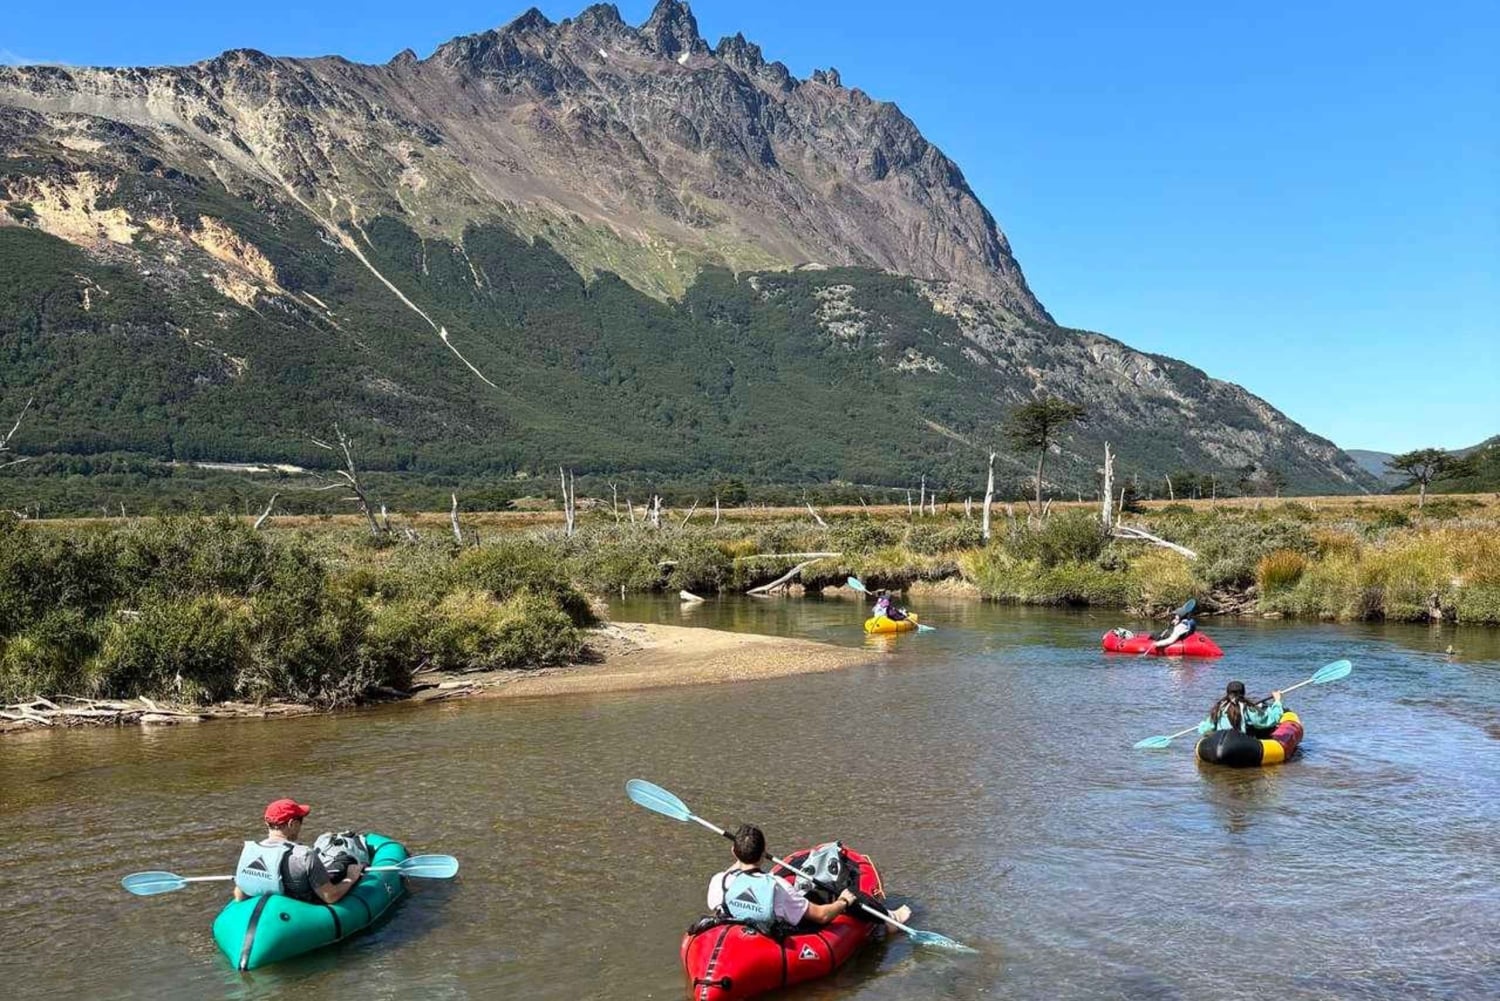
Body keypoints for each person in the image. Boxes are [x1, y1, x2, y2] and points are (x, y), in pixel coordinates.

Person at [706, 824, 911, 932]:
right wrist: (842, 902)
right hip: (775, 934)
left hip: (738, 929)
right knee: (849, 894)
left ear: (734, 852)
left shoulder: (719, 881)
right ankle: (890, 920)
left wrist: (741, 853)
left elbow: (736, 870)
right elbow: (821, 916)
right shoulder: (778, 887)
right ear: (763, 854)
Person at [233, 798, 365, 904]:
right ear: (292, 824)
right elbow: (330, 897)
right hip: (302, 911)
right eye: (300, 821)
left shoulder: (251, 851)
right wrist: (350, 877)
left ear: (267, 824)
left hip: (273, 909)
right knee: (343, 863)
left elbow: (239, 895)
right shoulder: (304, 855)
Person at [1197, 680, 1284, 735]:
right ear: (1243, 693)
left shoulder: (1220, 708)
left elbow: (1205, 729)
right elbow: (1267, 721)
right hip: (1239, 743)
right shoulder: (1247, 708)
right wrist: (1277, 701)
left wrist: (1201, 725)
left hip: (1221, 740)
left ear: (1227, 693)